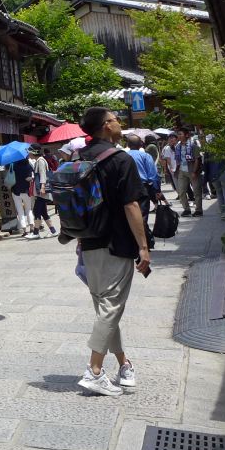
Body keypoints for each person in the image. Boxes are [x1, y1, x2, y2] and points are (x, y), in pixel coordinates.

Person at [73, 108, 150, 397]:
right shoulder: (120, 159)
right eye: (116, 119)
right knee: (110, 307)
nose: (119, 123)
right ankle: (94, 371)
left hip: (88, 244)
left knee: (106, 308)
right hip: (117, 243)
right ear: (107, 126)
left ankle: (123, 365)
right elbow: (131, 206)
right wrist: (143, 246)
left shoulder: (80, 158)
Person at [124, 133, 161, 247]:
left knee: (129, 215)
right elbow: (153, 175)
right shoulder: (145, 156)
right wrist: (157, 190)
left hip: (126, 188)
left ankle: (134, 239)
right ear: (141, 144)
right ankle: (143, 242)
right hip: (142, 187)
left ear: (128, 145)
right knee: (142, 215)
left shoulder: (123, 157)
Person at [174, 128, 203, 217]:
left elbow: (197, 159)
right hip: (182, 171)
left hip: (191, 170)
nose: (178, 136)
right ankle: (186, 209)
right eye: (178, 134)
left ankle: (198, 210)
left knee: (196, 191)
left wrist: (194, 171)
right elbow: (178, 159)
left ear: (186, 135)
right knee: (181, 191)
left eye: (180, 134)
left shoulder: (193, 145)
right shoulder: (177, 146)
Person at [29, 146, 56, 236]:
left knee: (36, 211)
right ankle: (53, 231)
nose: (28, 153)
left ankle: (36, 233)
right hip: (41, 191)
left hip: (41, 191)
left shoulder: (40, 161)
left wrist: (43, 187)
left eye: (30, 151)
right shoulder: (40, 160)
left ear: (34, 152)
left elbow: (43, 174)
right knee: (43, 212)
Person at [11, 154, 36, 237]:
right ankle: (32, 227)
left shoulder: (13, 165)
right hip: (26, 191)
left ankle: (24, 230)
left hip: (16, 191)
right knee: (29, 210)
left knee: (20, 211)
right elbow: (31, 176)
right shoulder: (28, 165)